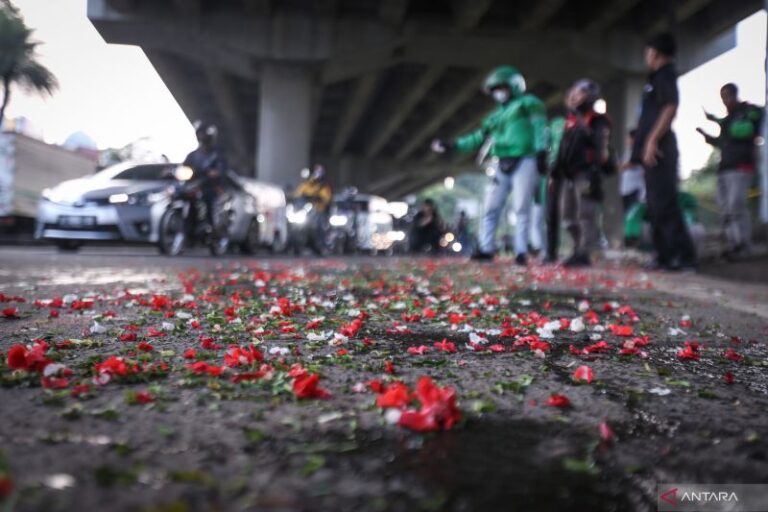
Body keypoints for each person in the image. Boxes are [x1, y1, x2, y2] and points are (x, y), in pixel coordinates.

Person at [430, 65, 548, 264]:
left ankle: (521, 252)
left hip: (526, 158)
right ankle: (486, 249)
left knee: (521, 208)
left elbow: (539, 127)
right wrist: (453, 144)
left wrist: (542, 150)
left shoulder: (529, 103)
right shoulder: (494, 116)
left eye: (501, 87)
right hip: (501, 161)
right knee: (491, 207)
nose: (498, 93)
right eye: (494, 90)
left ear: (513, 86)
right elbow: (477, 138)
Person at [631, 33, 696, 272]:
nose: (646, 56)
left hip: (661, 149)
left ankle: (684, 257)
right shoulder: (654, 78)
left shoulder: (665, 74)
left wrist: (651, 140)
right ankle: (664, 256)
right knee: (654, 204)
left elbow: (670, 106)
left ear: (656, 52)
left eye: (647, 51)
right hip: (652, 150)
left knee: (666, 203)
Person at [697, 83, 763, 259]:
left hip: (741, 167)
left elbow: (746, 130)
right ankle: (734, 244)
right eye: (722, 97)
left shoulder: (748, 111)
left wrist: (721, 122)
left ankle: (744, 245)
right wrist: (706, 136)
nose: (725, 101)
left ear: (734, 95)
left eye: (727, 96)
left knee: (736, 205)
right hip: (724, 168)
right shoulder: (728, 120)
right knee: (726, 208)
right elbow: (722, 143)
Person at [551, 79, 611, 267]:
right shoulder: (570, 121)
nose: (574, 96)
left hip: (586, 174)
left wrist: (594, 172)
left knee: (586, 214)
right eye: (573, 92)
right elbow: (562, 150)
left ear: (590, 95)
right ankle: (578, 247)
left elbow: (601, 150)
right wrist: (554, 174)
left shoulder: (597, 120)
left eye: (580, 92)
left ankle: (585, 252)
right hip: (568, 175)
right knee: (567, 217)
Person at [183, 121, 228, 233]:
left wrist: (214, 172)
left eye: (204, 134)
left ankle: (212, 227)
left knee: (209, 200)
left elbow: (222, 169)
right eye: (200, 134)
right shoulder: (193, 155)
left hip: (211, 187)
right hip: (194, 185)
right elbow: (184, 167)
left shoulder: (217, 154)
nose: (201, 137)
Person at [544, 115, 566, 263]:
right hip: (555, 173)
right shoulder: (553, 126)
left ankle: (580, 250)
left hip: (575, 172)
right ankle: (551, 252)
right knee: (552, 214)